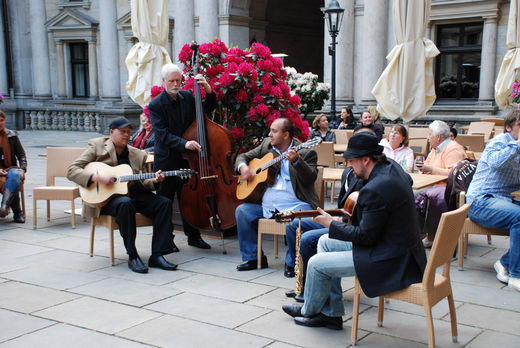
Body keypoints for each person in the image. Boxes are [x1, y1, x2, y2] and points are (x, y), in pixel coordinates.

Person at [282, 132, 426, 330]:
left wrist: (330, 223)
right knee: (324, 242)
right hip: (395, 245)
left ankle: (310, 310)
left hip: (392, 258)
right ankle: (331, 312)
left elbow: (365, 237)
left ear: (366, 160)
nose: (348, 165)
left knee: (316, 263)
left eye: (350, 160)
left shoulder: (377, 187)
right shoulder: (390, 167)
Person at [67, 117, 177, 274]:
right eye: (122, 132)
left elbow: (142, 181)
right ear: (112, 132)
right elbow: (71, 170)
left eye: (128, 132)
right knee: (125, 203)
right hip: (105, 199)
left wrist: (154, 181)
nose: (126, 135)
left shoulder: (136, 154)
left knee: (164, 203)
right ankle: (132, 255)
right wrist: (96, 178)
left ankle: (158, 254)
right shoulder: (97, 147)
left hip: (133, 194)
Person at [234, 117, 320, 272]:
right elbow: (243, 157)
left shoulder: (306, 152)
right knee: (243, 211)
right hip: (268, 208)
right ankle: (253, 258)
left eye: (274, 131)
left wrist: (297, 162)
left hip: (296, 206)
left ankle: (293, 263)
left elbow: (310, 178)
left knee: (297, 222)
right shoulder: (267, 145)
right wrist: (243, 168)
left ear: (286, 135)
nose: (270, 134)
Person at [149, 63, 216, 250]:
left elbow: (207, 109)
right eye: (171, 81)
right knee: (166, 201)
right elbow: (161, 134)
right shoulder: (156, 105)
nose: (176, 83)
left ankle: (193, 237)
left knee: (189, 199)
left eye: (178, 80)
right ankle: (166, 241)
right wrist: (184, 143)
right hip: (168, 159)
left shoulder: (187, 97)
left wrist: (207, 89)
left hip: (187, 158)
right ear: (163, 81)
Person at [466, 110, 520, 292]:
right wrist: (517, 145)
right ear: (508, 127)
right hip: (481, 201)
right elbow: (496, 162)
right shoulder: (498, 142)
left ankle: (504, 263)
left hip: (504, 201)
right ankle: (516, 275)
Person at [416, 120, 466, 247]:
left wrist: (431, 170)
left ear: (438, 137)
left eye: (429, 134)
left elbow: (454, 173)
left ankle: (431, 235)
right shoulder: (435, 149)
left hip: (448, 189)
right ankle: (418, 232)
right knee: (407, 192)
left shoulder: (453, 149)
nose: (427, 138)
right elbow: (427, 167)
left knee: (417, 194)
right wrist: (424, 169)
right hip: (434, 184)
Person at [0, 110, 26, 223]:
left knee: (15, 175)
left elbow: (21, 154)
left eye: (1, 120)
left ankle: (4, 206)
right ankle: (18, 213)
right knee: (13, 181)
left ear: (5, 121)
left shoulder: (12, 135)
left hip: (10, 167)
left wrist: (23, 168)